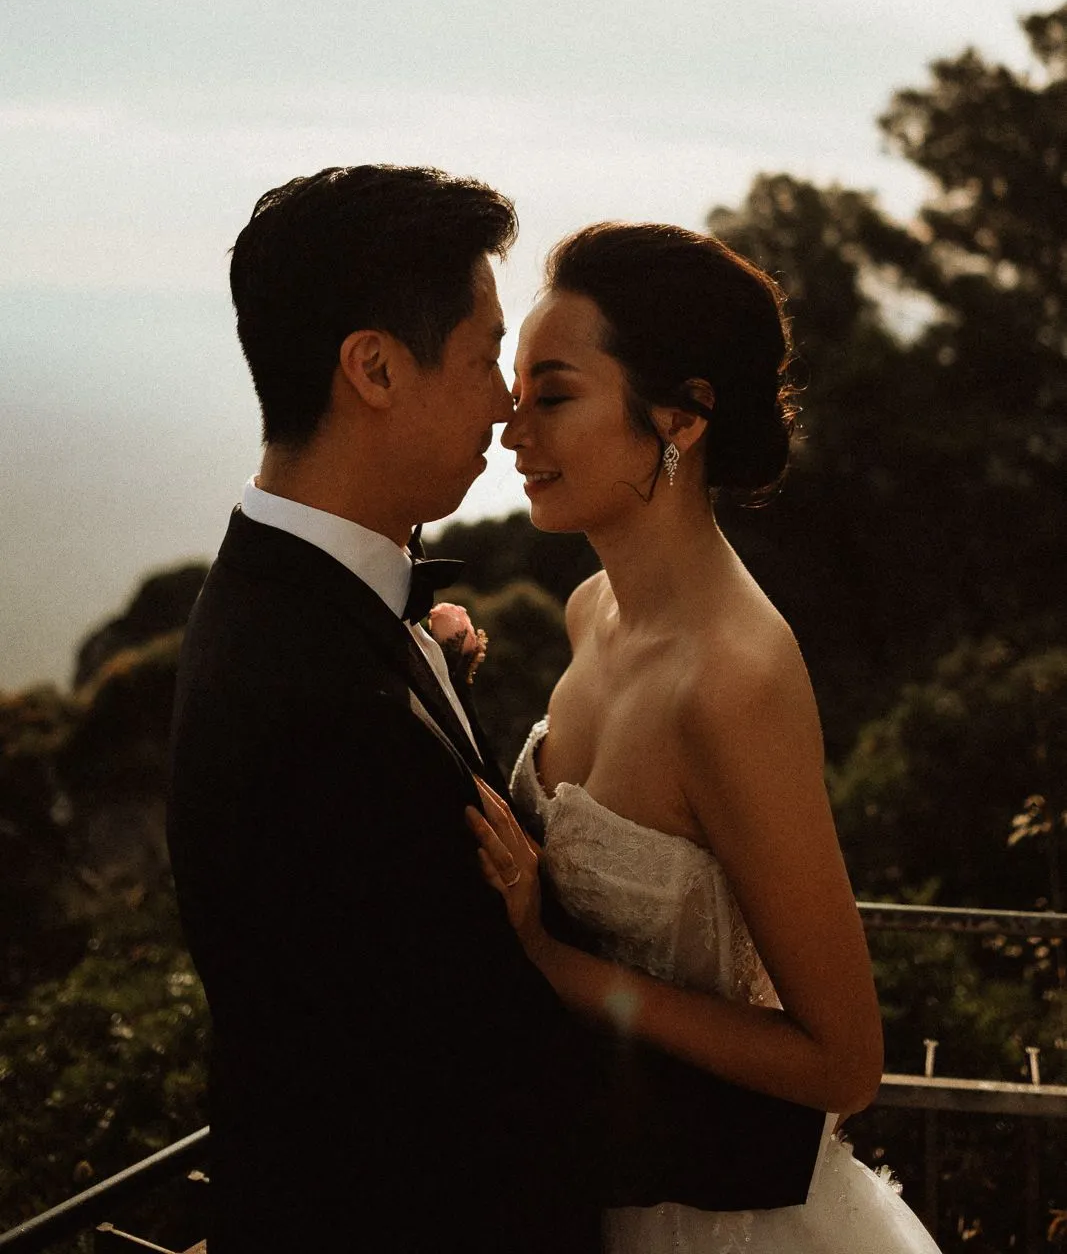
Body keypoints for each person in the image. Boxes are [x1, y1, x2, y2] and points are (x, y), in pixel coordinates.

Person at [168, 170, 825, 1254]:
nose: (501, 408)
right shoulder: (307, 692)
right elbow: (461, 1081)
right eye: (484, 362)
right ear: (373, 368)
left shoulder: (318, 613)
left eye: (538, 383)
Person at [468, 220, 941, 1252]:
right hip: (592, 1193)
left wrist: (557, 966)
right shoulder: (588, 610)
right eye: (514, 396)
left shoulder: (731, 681)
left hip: (732, 1221)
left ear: (678, 419)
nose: (512, 433)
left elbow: (843, 1061)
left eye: (550, 396)